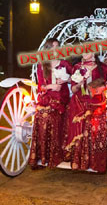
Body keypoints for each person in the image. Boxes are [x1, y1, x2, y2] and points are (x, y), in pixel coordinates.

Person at [63, 52, 107, 173]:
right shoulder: (77, 67)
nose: (84, 52)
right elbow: (74, 89)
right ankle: (79, 162)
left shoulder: (101, 66)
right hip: (79, 101)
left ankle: (94, 162)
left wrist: (104, 87)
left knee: (94, 130)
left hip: (96, 103)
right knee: (79, 128)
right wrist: (80, 83)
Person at [28, 38, 72, 169]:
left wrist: (66, 80)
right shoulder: (42, 66)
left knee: (50, 117)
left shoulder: (64, 64)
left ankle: (53, 155)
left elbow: (76, 79)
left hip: (61, 98)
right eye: (52, 47)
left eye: (57, 47)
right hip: (47, 97)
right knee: (40, 115)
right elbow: (41, 87)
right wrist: (51, 86)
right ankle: (42, 156)